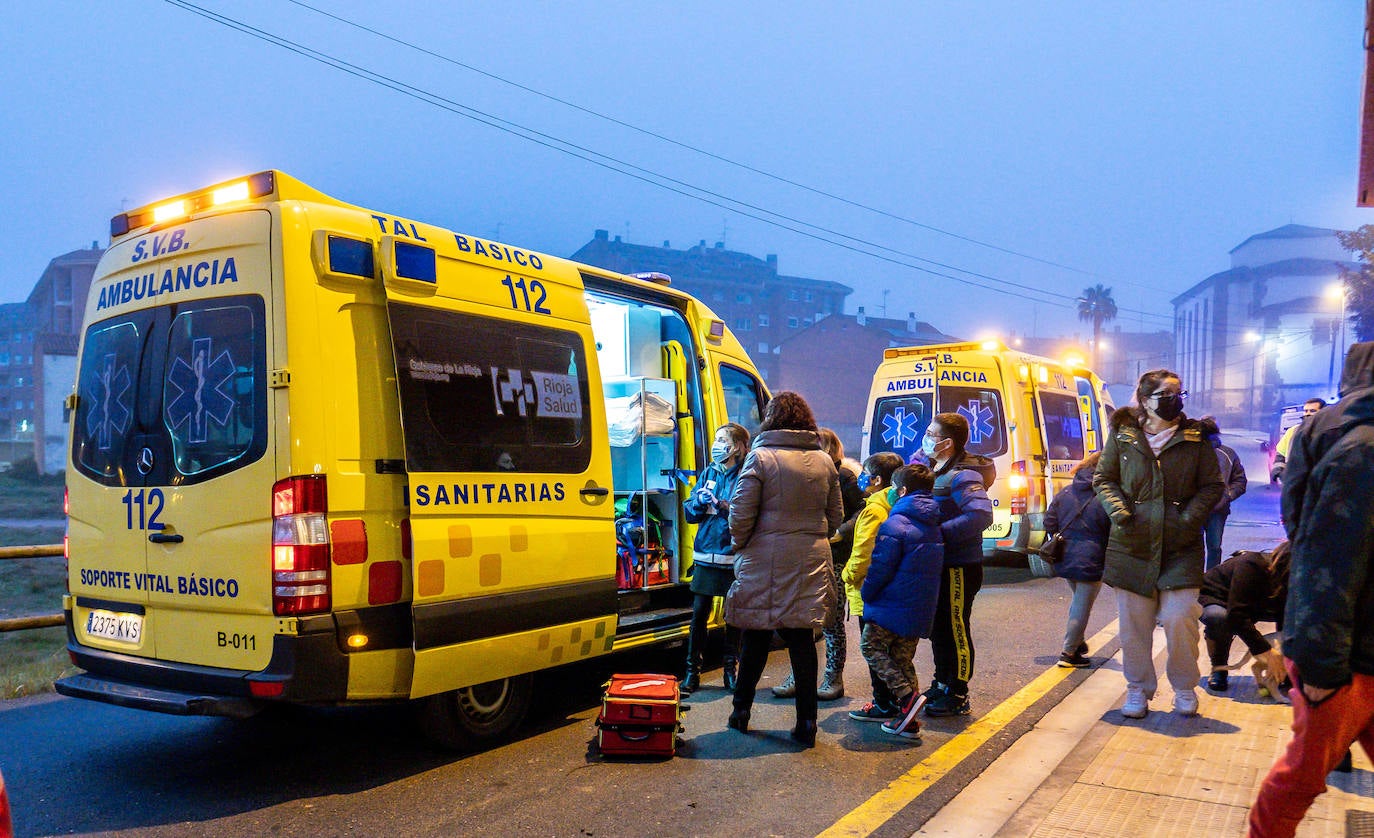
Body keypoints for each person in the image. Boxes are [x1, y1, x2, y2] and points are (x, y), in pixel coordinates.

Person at [1248, 343, 1374, 837]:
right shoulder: (1362, 449)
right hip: (1344, 654)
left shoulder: (1336, 435)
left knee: (1301, 774)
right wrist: (1322, 664)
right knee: (1302, 776)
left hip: (1350, 644)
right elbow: (1328, 559)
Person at [1094, 369, 1223, 719]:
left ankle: (1184, 688)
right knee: (1133, 626)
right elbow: (1103, 478)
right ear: (1144, 399)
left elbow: (1213, 486)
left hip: (1180, 546)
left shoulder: (1195, 438)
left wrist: (1188, 519)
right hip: (1131, 544)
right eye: (1166, 395)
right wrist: (1121, 512)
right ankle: (1137, 690)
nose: (1175, 401)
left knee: (1180, 618)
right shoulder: (1124, 435)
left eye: (1179, 394)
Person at [725, 391, 843, 748]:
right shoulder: (824, 461)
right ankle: (807, 723)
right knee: (802, 641)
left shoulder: (760, 458)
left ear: (770, 419)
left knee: (757, 638)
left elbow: (740, 513)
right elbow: (835, 517)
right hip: (810, 557)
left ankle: (740, 712)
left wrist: (742, 545)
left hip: (764, 558)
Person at [773, 428, 864, 702]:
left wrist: (842, 531)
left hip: (834, 557)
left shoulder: (844, 475)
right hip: (806, 555)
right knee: (800, 621)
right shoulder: (805, 474)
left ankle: (833, 678)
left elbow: (861, 509)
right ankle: (798, 676)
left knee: (832, 620)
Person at [858, 465, 944, 742]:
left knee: (870, 646)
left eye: (895, 488)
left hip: (890, 605)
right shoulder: (932, 522)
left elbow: (880, 567)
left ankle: (908, 700)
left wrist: (866, 593)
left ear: (903, 491)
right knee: (902, 658)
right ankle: (909, 721)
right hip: (917, 606)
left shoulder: (896, 524)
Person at [920, 412, 995, 718]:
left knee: (955, 628)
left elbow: (980, 515)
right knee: (939, 628)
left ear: (947, 443)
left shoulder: (964, 475)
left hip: (959, 567)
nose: (925, 438)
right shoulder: (934, 467)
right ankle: (941, 682)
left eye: (931, 434)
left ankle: (958, 691)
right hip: (939, 564)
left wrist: (939, 535)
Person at [680, 422, 749, 695]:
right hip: (705, 557)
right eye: (717, 439)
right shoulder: (709, 472)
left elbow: (744, 512)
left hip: (731, 558)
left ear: (737, 447)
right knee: (698, 616)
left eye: (723, 439)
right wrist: (697, 502)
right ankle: (691, 673)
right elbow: (690, 512)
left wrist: (721, 504)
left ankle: (730, 671)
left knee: (734, 618)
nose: (717, 444)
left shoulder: (745, 476)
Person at [842, 451, 907, 723]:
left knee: (873, 649)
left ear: (877, 480)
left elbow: (863, 552)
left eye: (865, 474)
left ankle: (884, 703)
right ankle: (895, 701)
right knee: (892, 650)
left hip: (867, 589)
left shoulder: (873, 510)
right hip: (893, 590)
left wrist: (848, 575)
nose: (862, 480)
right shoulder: (898, 504)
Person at [1042, 452, 1110, 668]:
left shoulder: (1066, 492)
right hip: (1092, 558)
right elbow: (1112, 530)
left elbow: (1049, 522)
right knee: (1081, 605)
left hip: (1065, 556)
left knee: (1078, 603)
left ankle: (1078, 645)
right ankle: (1068, 652)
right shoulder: (1105, 497)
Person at [1198, 541, 1290, 693]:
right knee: (1220, 619)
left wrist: (1283, 659)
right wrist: (1266, 650)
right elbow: (1237, 615)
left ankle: (1285, 672)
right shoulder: (1251, 565)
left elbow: (1284, 615)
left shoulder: (1291, 579)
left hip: (1254, 602)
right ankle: (1219, 666)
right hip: (1219, 598)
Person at [1197, 416, 1248, 571]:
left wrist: (1227, 496)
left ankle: (1210, 578)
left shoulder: (1227, 454)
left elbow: (1240, 480)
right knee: (1197, 548)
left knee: (1214, 546)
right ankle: (1197, 579)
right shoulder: (1191, 453)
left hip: (1217, 510)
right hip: (1195, 509)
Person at [1268, 398, 1325, 487]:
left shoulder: (1327, 432)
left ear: (1323, 412)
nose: (1308, 413)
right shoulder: (1292, 431)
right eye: (1306, 411)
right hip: (1293, 483)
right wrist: (1279, 473)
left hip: (1317, 484)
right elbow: (1280, 455)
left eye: (1313, 411)